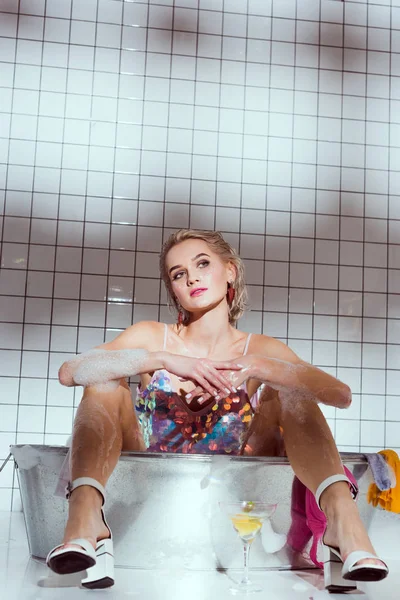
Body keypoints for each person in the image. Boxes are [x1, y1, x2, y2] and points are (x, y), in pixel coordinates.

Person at [46, 229, 388, 589]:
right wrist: (162, 359)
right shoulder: (152, 336)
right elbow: (71, 372)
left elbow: (340, 395)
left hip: (235, 497)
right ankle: (86, 519)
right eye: (178, 274)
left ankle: (342, 521)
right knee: (103, 377)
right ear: (174, 290)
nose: (191, 276)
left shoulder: (259, 348)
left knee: (291, 390)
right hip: (153, 492)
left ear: (230, 271)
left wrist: (261, 367)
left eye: (203, 264)